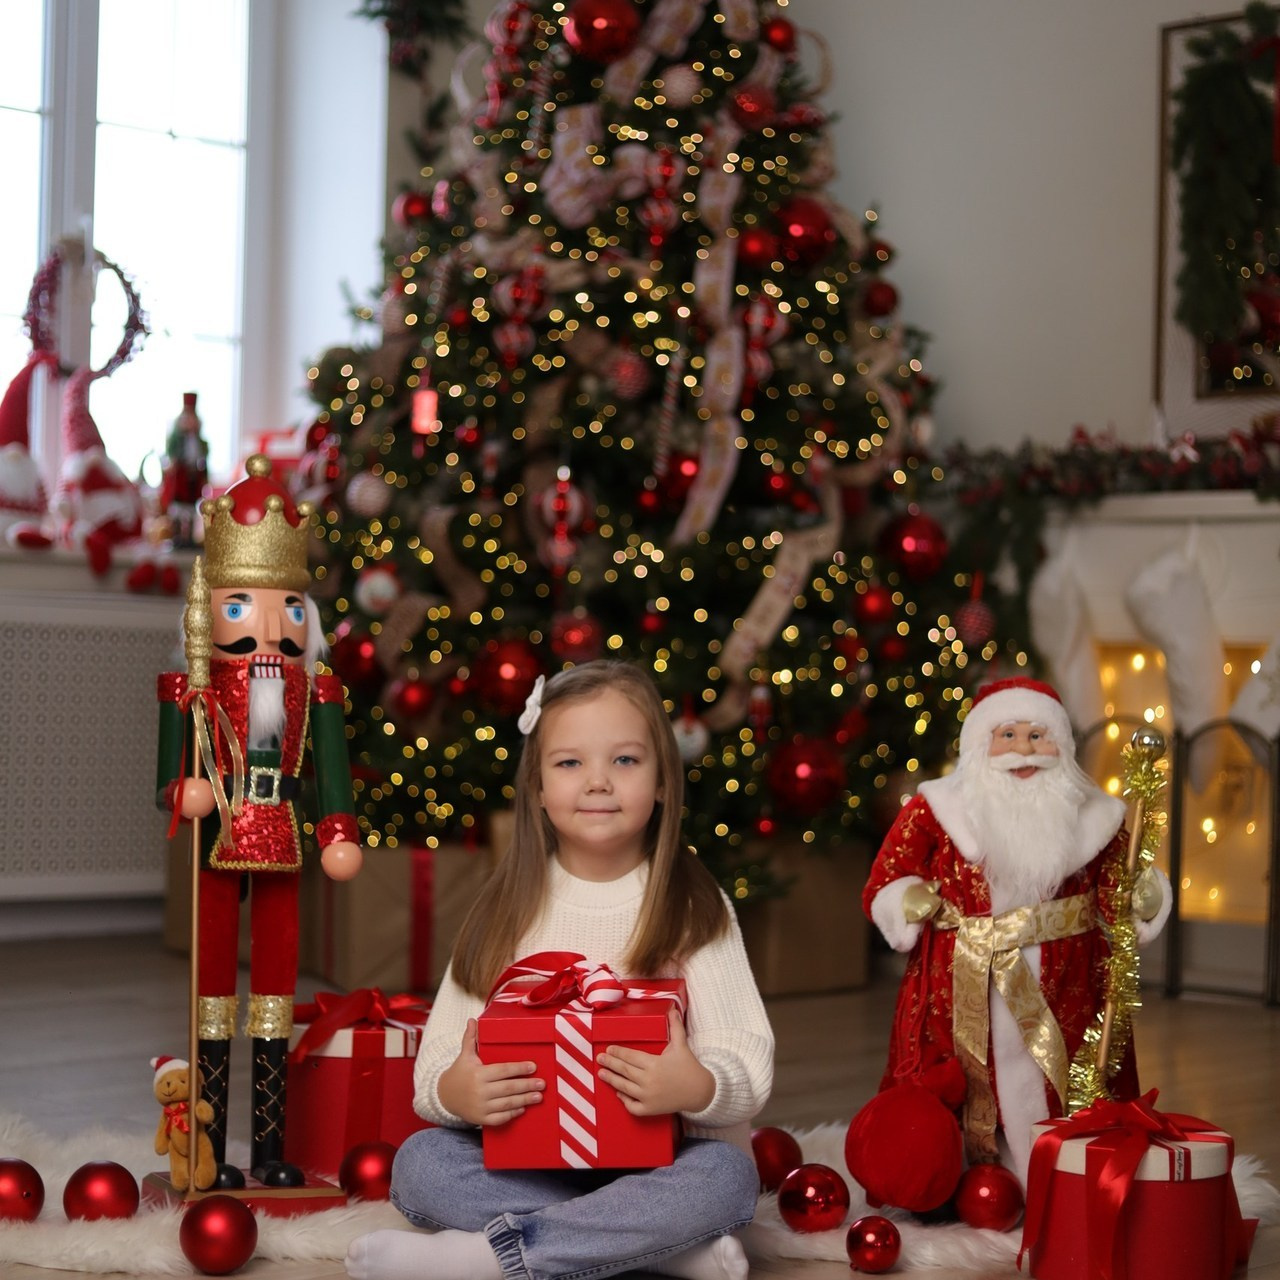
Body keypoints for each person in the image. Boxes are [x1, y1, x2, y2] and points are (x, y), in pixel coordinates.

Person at [346, 660, 773, 1280]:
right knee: (422, 1163)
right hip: (530, 1163)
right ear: (539, 788)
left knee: (728, 1178)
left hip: (663, 1163)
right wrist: (457, 1091)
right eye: (570, 763)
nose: (597, 782)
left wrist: (698, 1087)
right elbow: (438, 1058)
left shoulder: (693, 905)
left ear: (662, 782)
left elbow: (748, 1054)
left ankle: (494, 1256)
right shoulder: (506, 909)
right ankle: (659, 1247)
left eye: (625, 761)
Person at [861, 677, 1170, 1191]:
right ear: (981, 745)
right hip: (959, 982)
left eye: (1037, 735)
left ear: (1063, 747)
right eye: (1008, 735)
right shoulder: (936, 808)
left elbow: (1122, 879)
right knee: (952, 1081)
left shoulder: (1099, 818)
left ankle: (1060, 1170)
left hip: (1068, 983)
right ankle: (954, 1174)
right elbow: (887, 877)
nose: (1023, 751)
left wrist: (1143, 894)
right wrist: (905, 898)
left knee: (1070, 1076)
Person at [156, 454, 363, 1186]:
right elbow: (170, 772)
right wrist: (183, 792)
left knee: (274, 991)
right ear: (210, 603)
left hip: (282, 839)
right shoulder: (193, 686)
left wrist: (338, 828)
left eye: (288, 607)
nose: (270, 624)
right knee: (213, 993)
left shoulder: (318, 690)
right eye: (244, 604)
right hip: (219, 843)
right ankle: (208, 1152)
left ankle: (270, 1153)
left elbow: (329, 772)